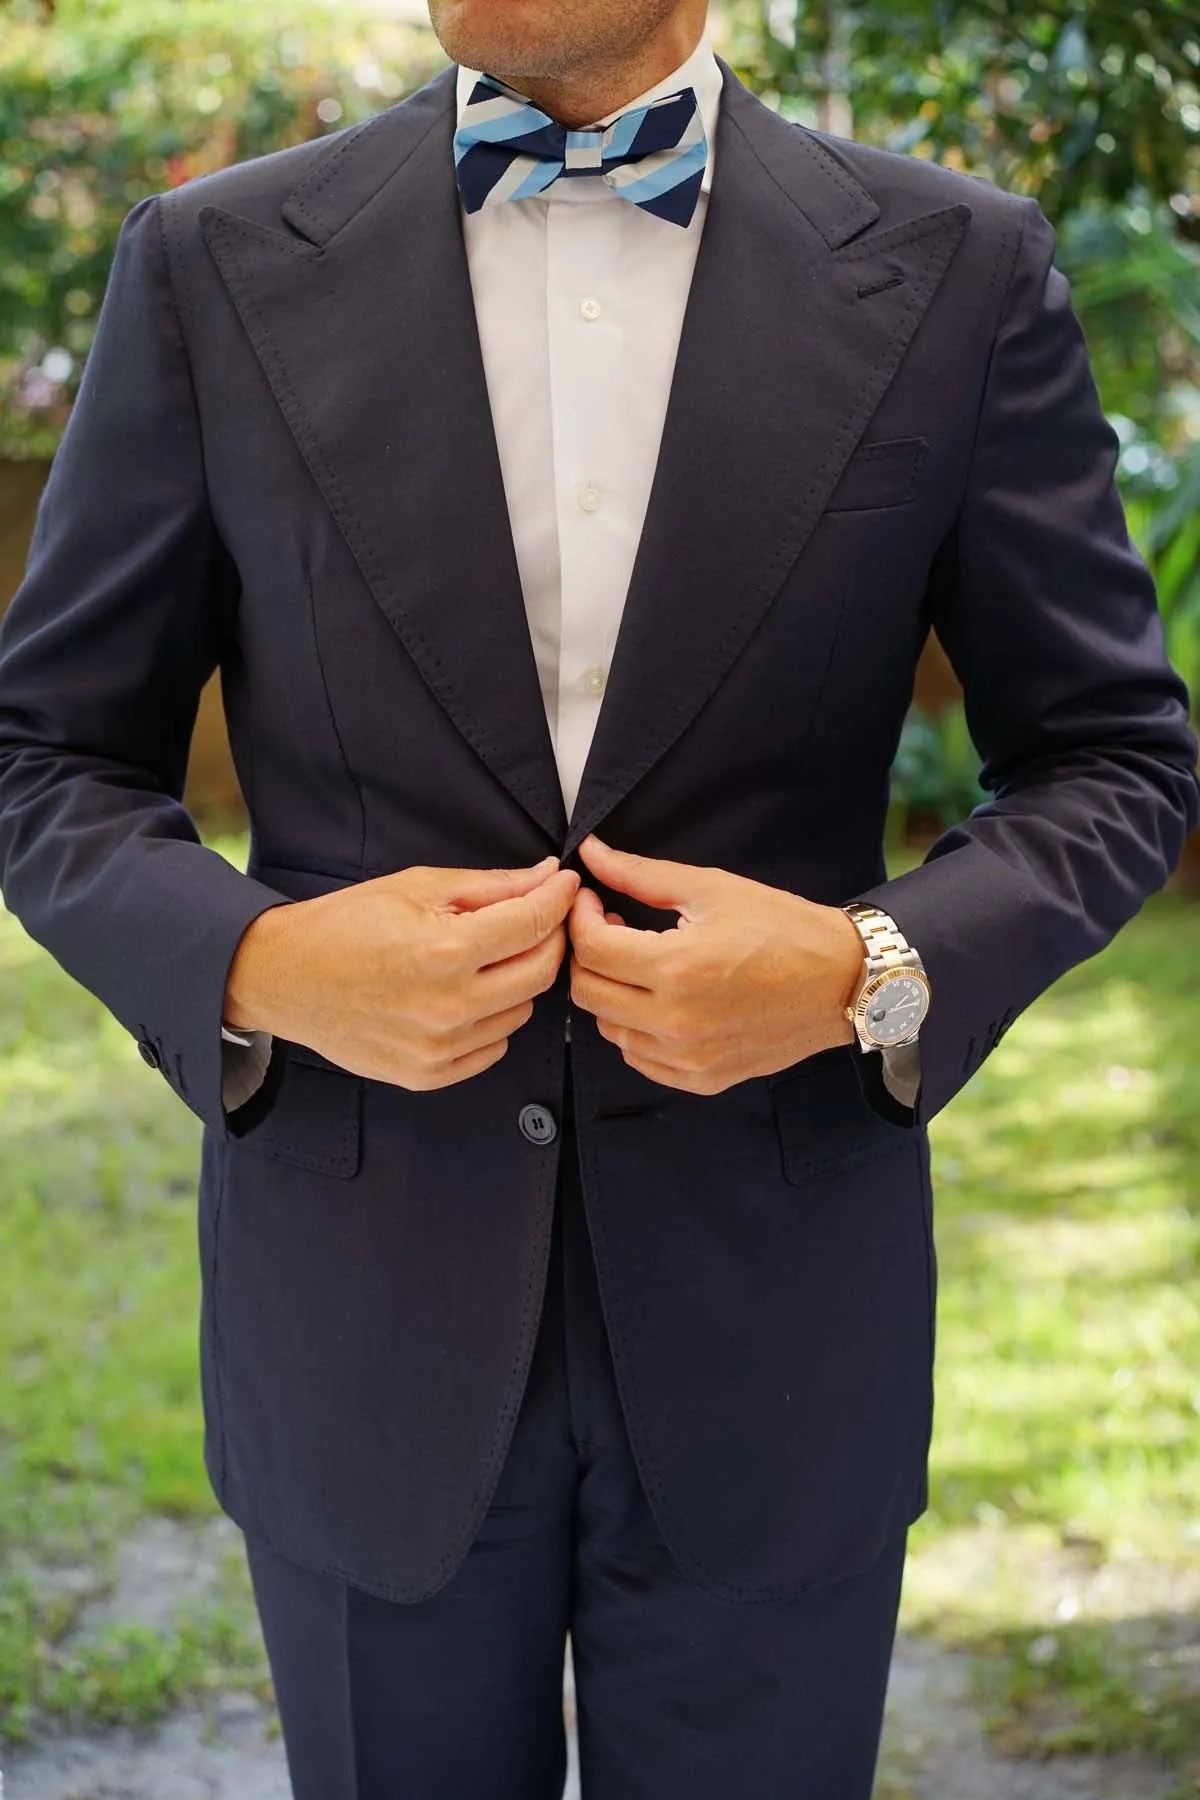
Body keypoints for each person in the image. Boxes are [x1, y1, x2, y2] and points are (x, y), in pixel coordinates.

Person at [0, 0, 1196, 1793]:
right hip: (362, 1325)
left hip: (778, 1319)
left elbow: (1116, 753)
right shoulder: (212, 263)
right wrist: (257, 960)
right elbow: (43, 756)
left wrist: (871, 967)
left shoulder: (958, 266)